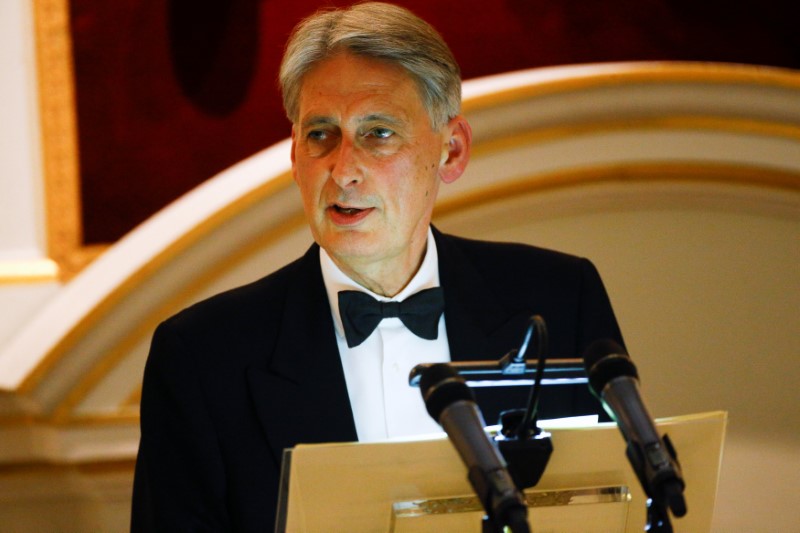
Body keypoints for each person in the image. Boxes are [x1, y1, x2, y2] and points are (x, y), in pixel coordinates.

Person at [131, 2, 624, 531]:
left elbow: (615, 507)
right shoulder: (202, 357)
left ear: (451, 151)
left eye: (378, 133)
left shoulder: (561, 301)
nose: (343, 170)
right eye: (321, 134)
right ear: (295, 156)